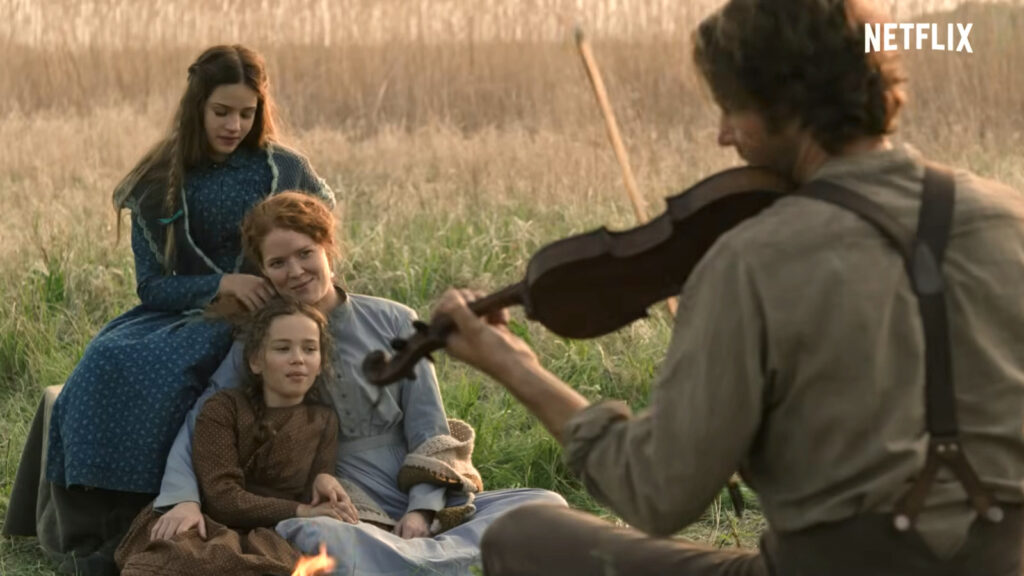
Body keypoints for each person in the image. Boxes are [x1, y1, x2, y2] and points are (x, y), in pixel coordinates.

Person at [430, 1, 1024, 575]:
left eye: (733, 109)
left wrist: (515, 366)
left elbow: (657, 491)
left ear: (785, 103)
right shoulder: (1009, 219)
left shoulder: (753, 258)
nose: (722, 135)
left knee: (524, 536)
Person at [2, 44, 334, 575]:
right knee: (108, 359)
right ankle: (104, 522)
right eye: (221, 111)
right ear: (197, 106)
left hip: (267, 314)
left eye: (246, 113)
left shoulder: (283, 168)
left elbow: (317, 236)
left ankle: (156, 518)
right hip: (185, 310)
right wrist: (220, 282)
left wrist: (282, 283)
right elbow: (152, 286)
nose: (234, 125)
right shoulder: (162, 176)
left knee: (176, 375)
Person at [152, 191, 566, 575]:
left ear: (327, 248)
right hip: (341, 500)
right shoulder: (263, 339)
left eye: (305, 253)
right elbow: (205, 415)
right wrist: (183, 497)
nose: (295, 272)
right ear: (263, 271)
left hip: (411, 483)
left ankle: (415, 559)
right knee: (315, 535)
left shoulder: (394, 319)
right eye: (277, 264)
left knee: (546, 504)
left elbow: (430, 431)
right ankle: (449, 560)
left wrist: (421, 510)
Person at [116, 297, 349, 576]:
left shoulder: (323, 420)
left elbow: (317, 492)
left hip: (270, 535)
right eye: (282, 348)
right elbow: (222, 498)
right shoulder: (224, 407)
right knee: (186, 558)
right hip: (207, 523)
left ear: (321, 362)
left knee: (289, 567)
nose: (298, 358)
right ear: (256, 361)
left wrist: (323, 477)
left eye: (309, 349)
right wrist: (300, 510)